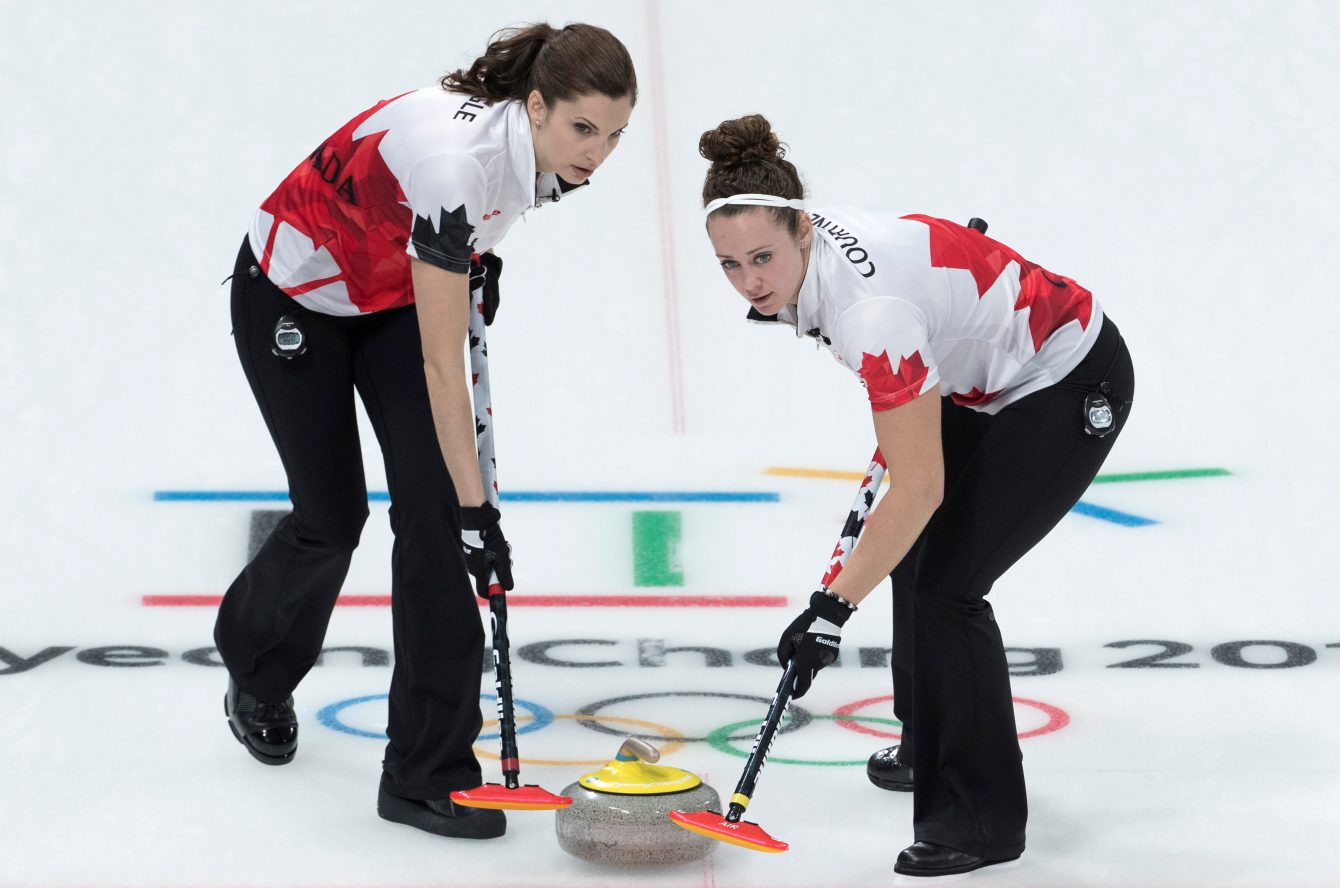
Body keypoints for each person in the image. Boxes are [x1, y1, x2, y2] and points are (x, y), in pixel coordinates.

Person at [213, 23, 636, 840]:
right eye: (583, 129)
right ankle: (257, 664)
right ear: (536, 105)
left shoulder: (535, 157)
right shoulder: (458, 168)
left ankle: (423, 774)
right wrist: (484, 515)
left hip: (391, 293)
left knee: (436, 524)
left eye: (616, 134)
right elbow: (448, 370)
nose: (599, 153)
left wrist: (462, 513)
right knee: (334, 518)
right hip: (293, 292)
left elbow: (455, 321)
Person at [698, 115, 1134, 876]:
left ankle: (980, 824)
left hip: (1066, 380)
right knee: (912, 557)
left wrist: (829, 611)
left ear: (804, 229)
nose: (751, 283)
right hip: (979, 379)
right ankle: (928, 740)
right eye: (730, 265)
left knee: (949, 587)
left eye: (762, 258)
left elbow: (921, 486)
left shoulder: (873, 316)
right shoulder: (811, 242)